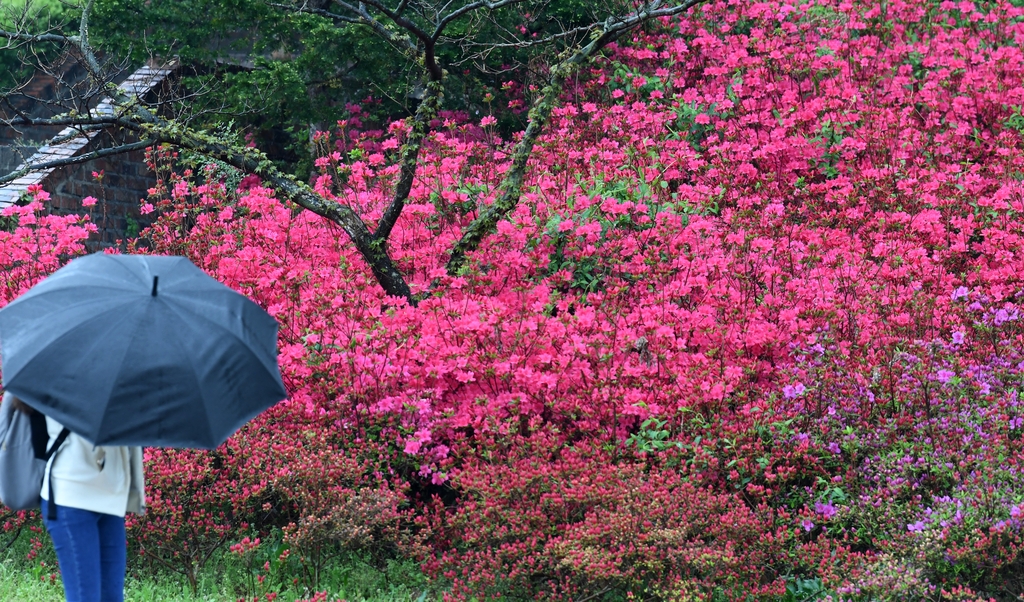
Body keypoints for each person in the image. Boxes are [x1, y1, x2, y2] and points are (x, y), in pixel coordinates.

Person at [9, 393, 144, 602]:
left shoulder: (122, 371)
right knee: (85, 597)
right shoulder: (60, 368)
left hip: (111, 495)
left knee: (112, 597)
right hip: (70, 496)